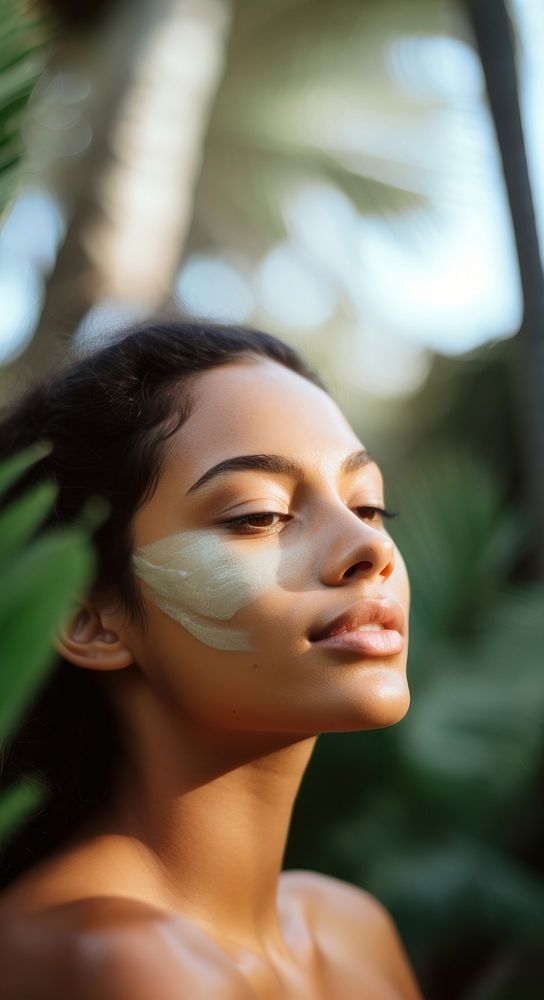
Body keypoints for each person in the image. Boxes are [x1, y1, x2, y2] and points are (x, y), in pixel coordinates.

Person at [0, 320, 422, 999]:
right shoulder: (118, 961)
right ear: (88, 618)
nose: (367, 548)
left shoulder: (352, 926)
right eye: (259, 515)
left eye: (368, 504)